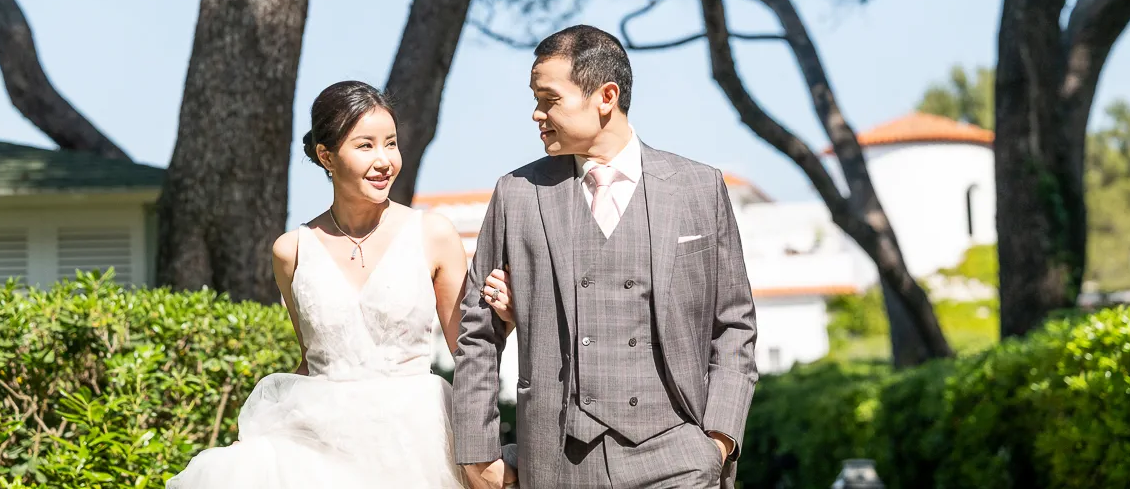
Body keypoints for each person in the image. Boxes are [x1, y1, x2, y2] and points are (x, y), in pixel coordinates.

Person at [167, 81, 516, 489]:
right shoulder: (291, 251)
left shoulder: (433, 234)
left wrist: (506, 320)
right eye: (365, 146)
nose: (384, 160)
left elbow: (469, 349)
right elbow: (312, 358)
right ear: (326, 155)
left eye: (391, 143)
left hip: (417, 441)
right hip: (317, 448)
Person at [452, 25, 758, 489]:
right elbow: (477, 331)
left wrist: (717, 440)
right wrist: (478, 454)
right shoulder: (516, 194)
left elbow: (734, 323)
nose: (537, 114)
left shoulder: (699, 187)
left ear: (606, 96)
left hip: (680, 458)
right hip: (558, 462)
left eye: (549, 99)